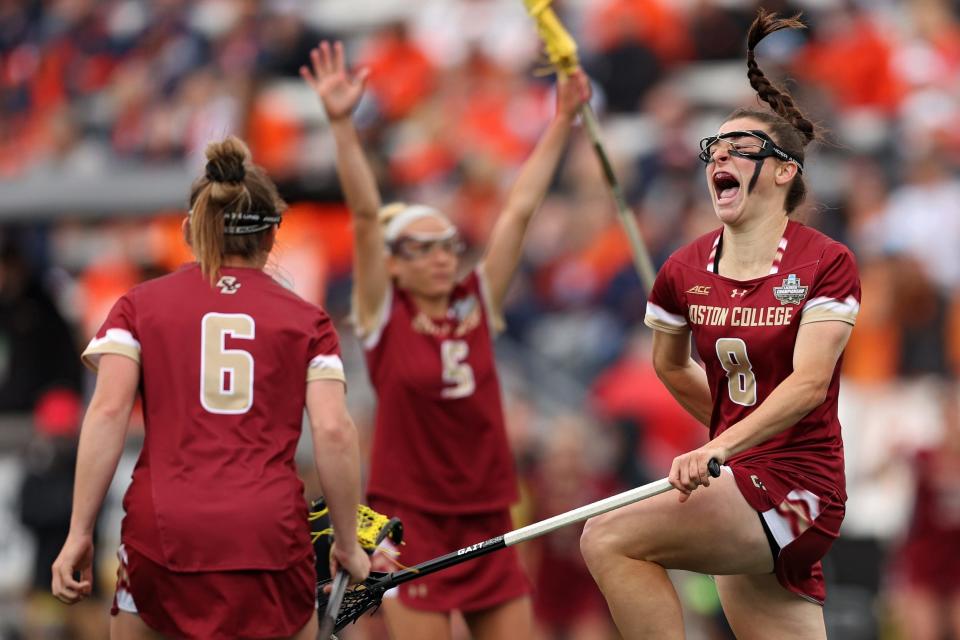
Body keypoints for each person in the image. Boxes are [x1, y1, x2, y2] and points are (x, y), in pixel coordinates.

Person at [579, 11, 861, 640]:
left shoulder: (826, 261)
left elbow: (810, 384)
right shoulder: (682, 268)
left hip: (798, 486)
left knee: (609, 539)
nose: (719, 159)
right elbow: (668, 365)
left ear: (785, 171)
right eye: (715, 150)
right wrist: (727, 428)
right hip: (741, 483)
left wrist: (718, 446)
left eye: (741, 150)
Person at [300, 41, 591, 640]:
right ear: (393, 264)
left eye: (448, 246)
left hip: (487, 511)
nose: (440, 258)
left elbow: (517, 212)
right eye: (422, 248)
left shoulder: (475, 303)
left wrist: (562, 121)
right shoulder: (385, 314)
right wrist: (342, 126)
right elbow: (361, 214)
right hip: (411, 518)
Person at [50, 136, 370, 639]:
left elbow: (107, 414)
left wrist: (79, 532)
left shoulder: (138, 305)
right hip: (267, 533)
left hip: (162, 528)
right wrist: (348, 542)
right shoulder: (308, 321)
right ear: (273, 234)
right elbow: (332, 430)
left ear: (191, 230)